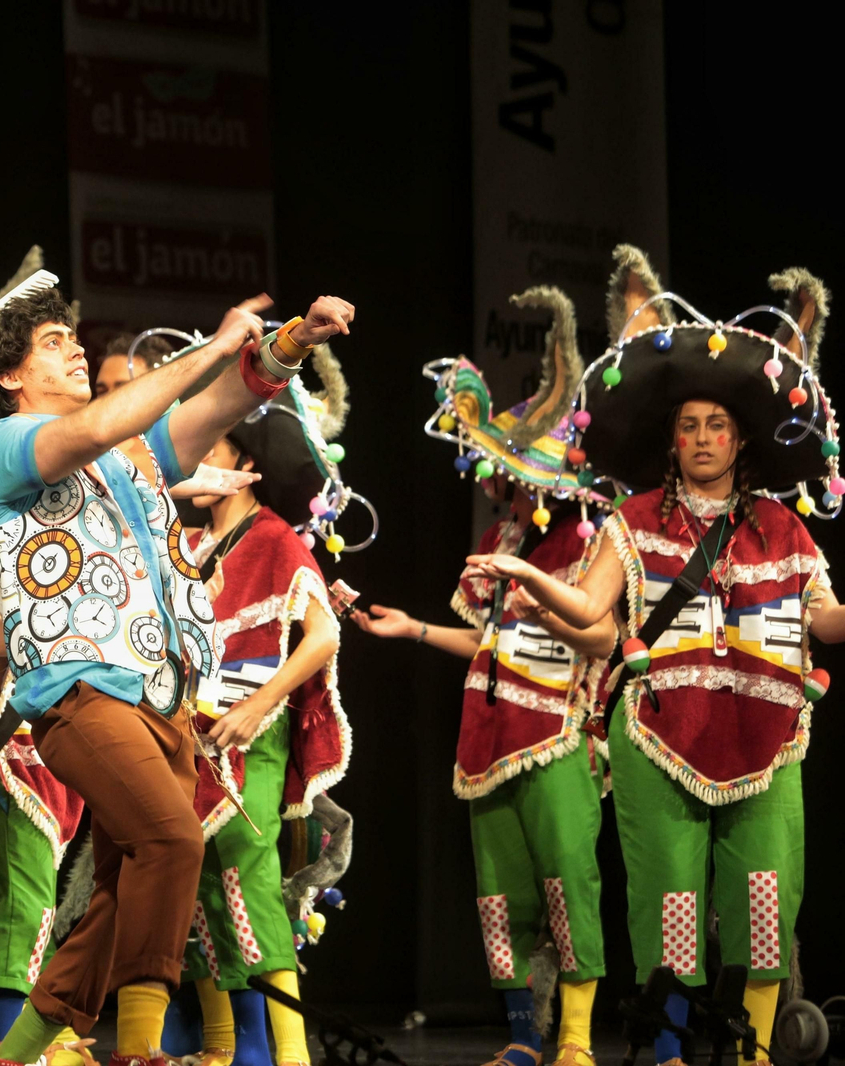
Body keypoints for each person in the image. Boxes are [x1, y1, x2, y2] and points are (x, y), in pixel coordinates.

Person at [0, 277, 354, 1066]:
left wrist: (287, 346)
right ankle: (138, 1048)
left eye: (74, 338)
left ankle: (14, 1056)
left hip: (163, 700)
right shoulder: (0, 445)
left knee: (122, 889)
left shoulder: (123, 459)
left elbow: (210, 412)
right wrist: (215, 343)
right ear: (9, 377)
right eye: (52, 345)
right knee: (173, 844)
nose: (73, 349)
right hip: (82, 695)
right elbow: (108, 420)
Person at [465, 246, 842, 1066]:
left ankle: (753, 1055)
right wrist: (532, 574)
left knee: (767, 898)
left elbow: (830, 621)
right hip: (659, 741)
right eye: (689, 427)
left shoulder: (786, 529)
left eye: (717, 426)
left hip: (769, 742)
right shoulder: (629, 521)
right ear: (671, 442)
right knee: (669, 902)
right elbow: (594, 614)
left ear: (743, 441)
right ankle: (668, 1053)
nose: (702, 438)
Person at [354, 287, 614, 1066]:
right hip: (486, 736)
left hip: (557, 736)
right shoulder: (507, 540)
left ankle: (574, 1038)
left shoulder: (593, 543)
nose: (504, 486)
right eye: (501, 474)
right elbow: (489, 645)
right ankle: (524, 1038)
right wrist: (415, 630)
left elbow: (599, 638)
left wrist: (534, 586)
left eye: (516, 475)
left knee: (570, 886)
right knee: (501, 900)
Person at [179, 353, 355, 1066]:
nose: (193, 458)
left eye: (208, 448)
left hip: (252, 736)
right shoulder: (189, 546)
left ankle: (288, 1053)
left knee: (248, 881)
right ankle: (227, 1045)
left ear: (245, 466)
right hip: (192, 738)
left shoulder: (277, 538)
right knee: (200, 891)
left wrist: (258, 706)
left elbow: (323, 636)